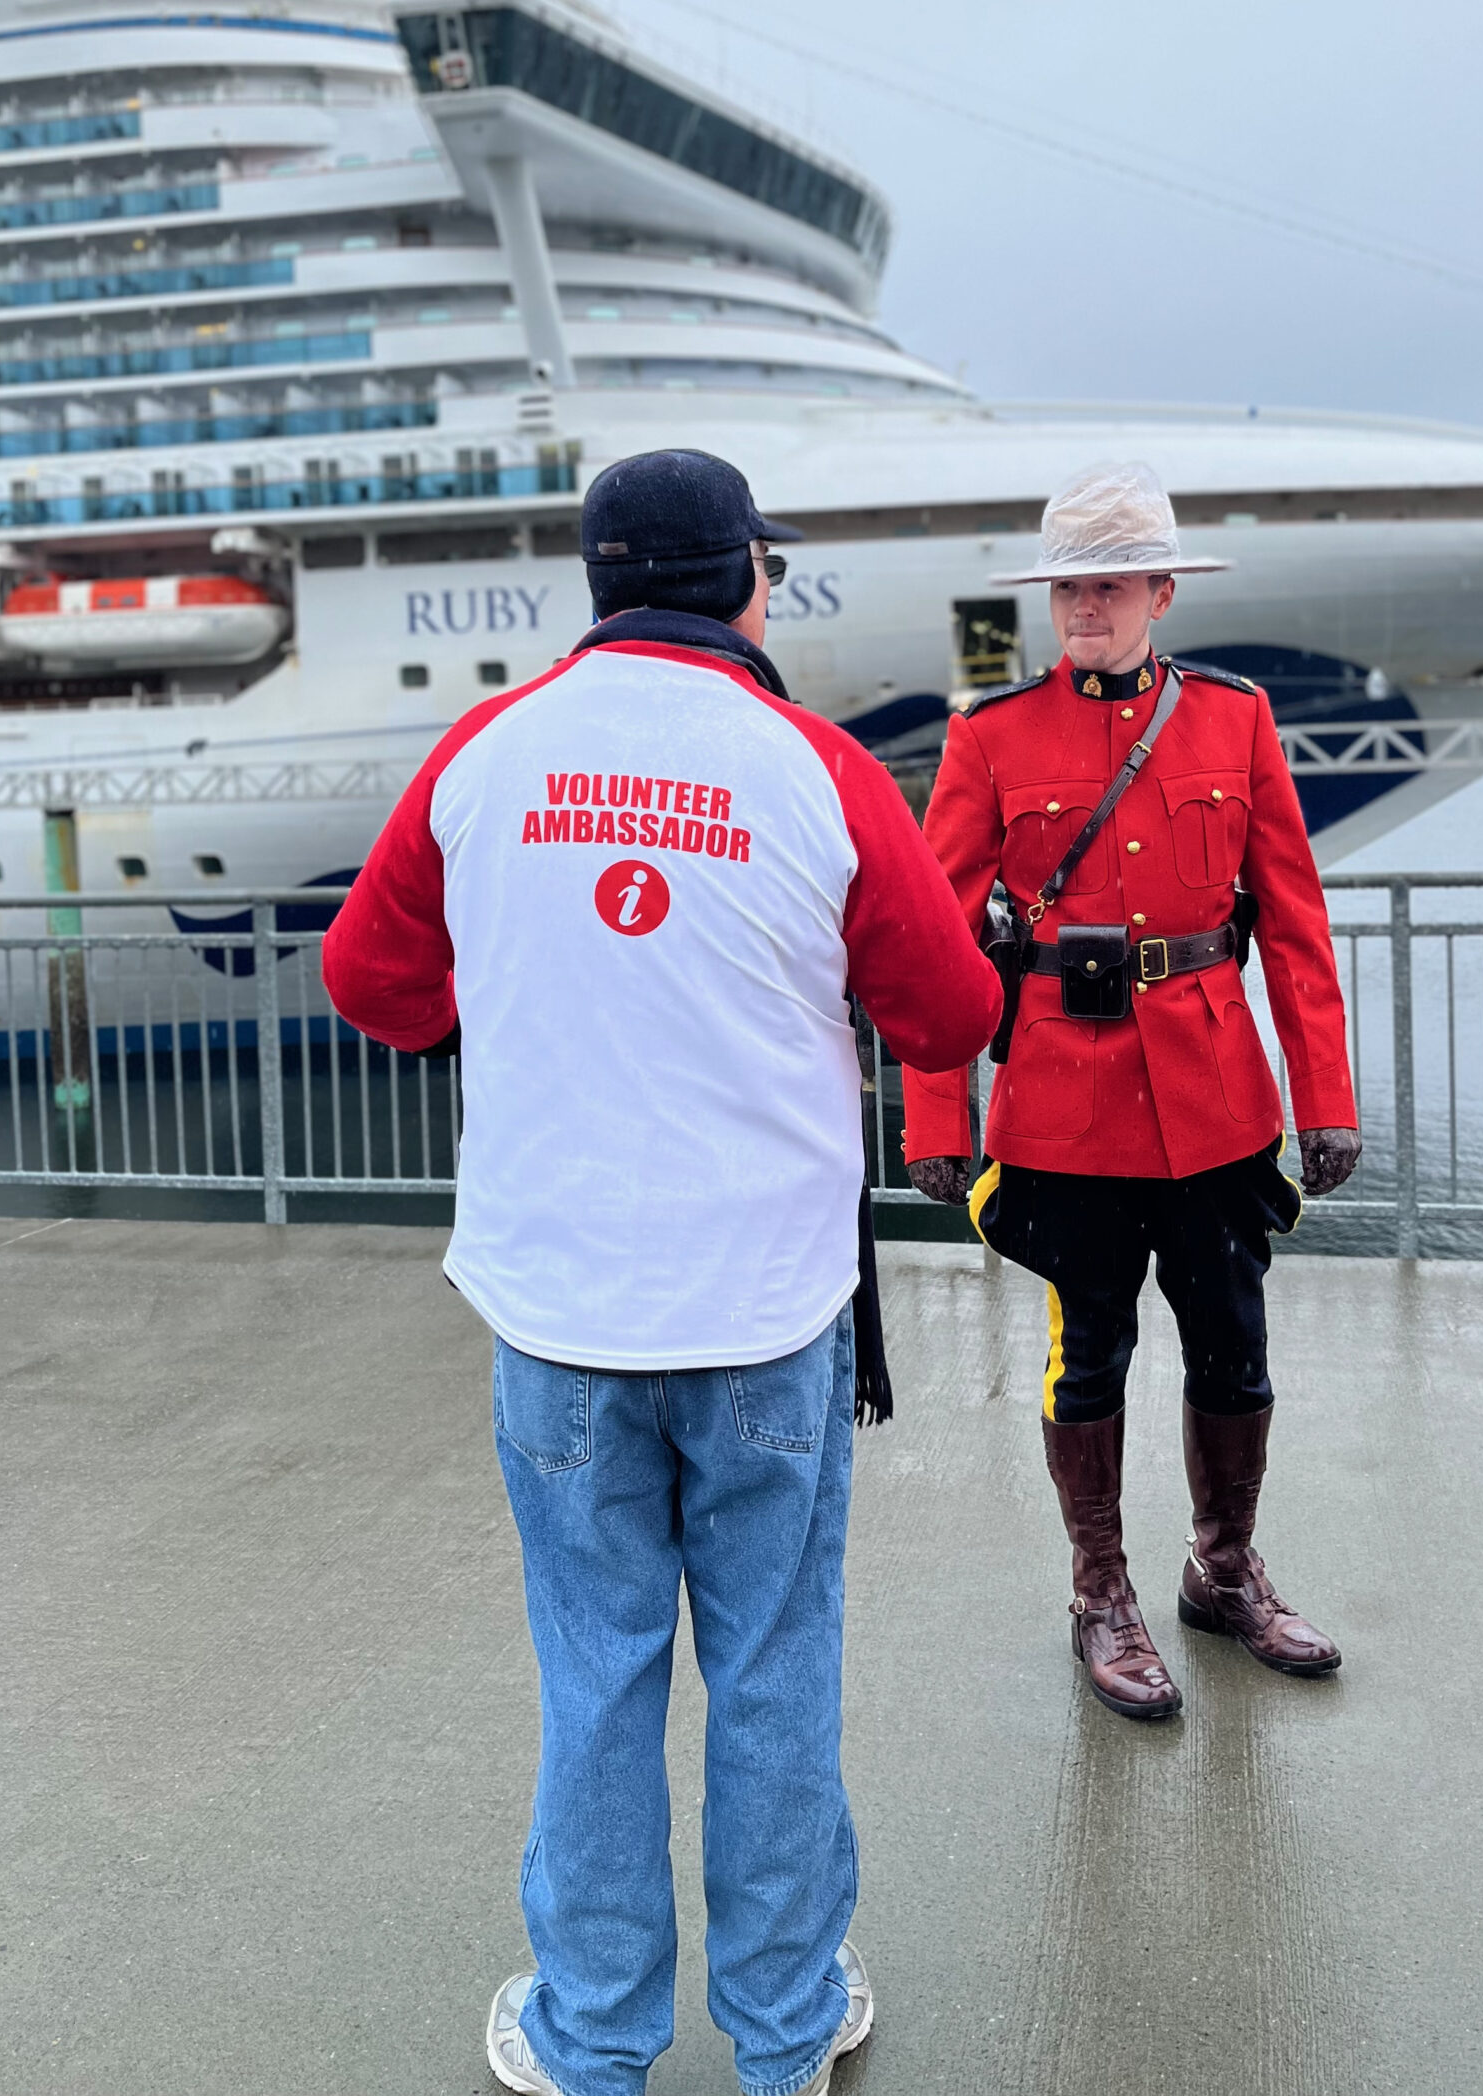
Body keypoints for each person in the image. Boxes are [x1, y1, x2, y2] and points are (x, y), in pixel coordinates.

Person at [323, 448, 1001, 2096]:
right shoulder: (814, 766)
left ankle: (594, 2038)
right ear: (747, 580)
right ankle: (782, 2040)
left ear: (600, 585)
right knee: (771, 1677)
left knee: (598, 1678)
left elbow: (374, 988)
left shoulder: (486, 755)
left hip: (557, 1317)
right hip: (766, 1315)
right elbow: (954, 1017)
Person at [903, 461, 1361, 1720]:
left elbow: (1295, 924)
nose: (1085, 608)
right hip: (1064, 1106)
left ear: (1163, 590)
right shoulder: (990, 738)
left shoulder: (1234, 718)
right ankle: (1099, 1592)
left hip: (1217, 1098)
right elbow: (939, 939)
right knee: (1087, 1355)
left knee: (1235, 1346)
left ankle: (1223, 1570)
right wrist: (935, 1114)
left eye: (1108, 585)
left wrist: (1325, 1097)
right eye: (1068, 588)